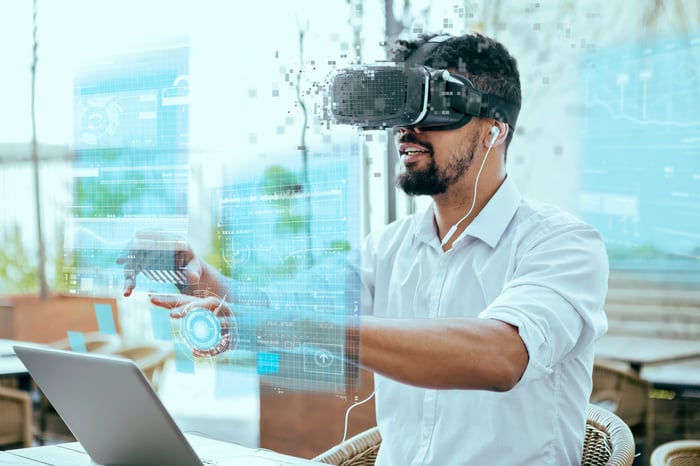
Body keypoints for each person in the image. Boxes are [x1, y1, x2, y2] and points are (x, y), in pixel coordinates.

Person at [119, 32, 609, 465]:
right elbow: (279, 306)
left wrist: (304, 325)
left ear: (494, 129)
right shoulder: (388, 249)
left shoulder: (562, 244)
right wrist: (195, 272)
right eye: (401, 111)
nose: (405, 130)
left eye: (430, 109)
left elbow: (502, 356)